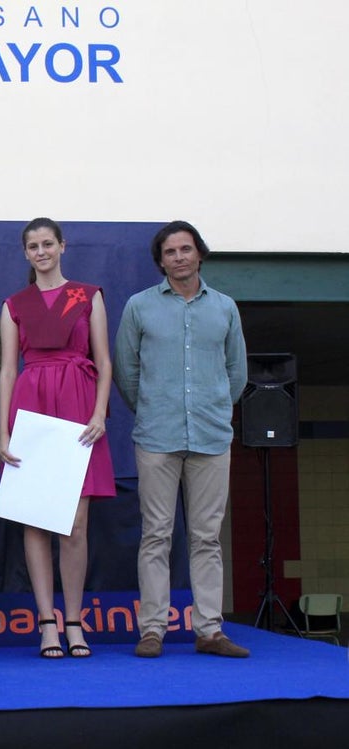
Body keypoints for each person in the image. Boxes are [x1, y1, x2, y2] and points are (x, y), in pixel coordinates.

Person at [114, 220, 250, 659]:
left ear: (200, 254)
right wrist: (153, 408)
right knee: (156, 535)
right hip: (157, 435)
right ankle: (151, 630)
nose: (179, 257)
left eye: (186, 249)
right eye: (170, 252)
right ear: (160, 261)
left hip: (211, 436)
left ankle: (209, 630)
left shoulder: (225, 308)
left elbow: (237, 372)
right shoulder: (139, 306)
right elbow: (127, 371)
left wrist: (212, 408)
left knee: (207, 537)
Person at [0, 217, 115, 659]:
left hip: (79, 408)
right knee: (35, 519)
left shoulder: (89, 296)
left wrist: (100, 412)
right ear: (26, 253)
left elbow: (103, 360)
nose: (42, 251)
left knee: (75, 524)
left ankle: (74, 621)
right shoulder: (13, 304)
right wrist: (3, 429)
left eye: (48, 243)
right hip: (32, 410)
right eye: (33, 245)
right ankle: (47, 623)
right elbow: (9, 369)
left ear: (62, 246)